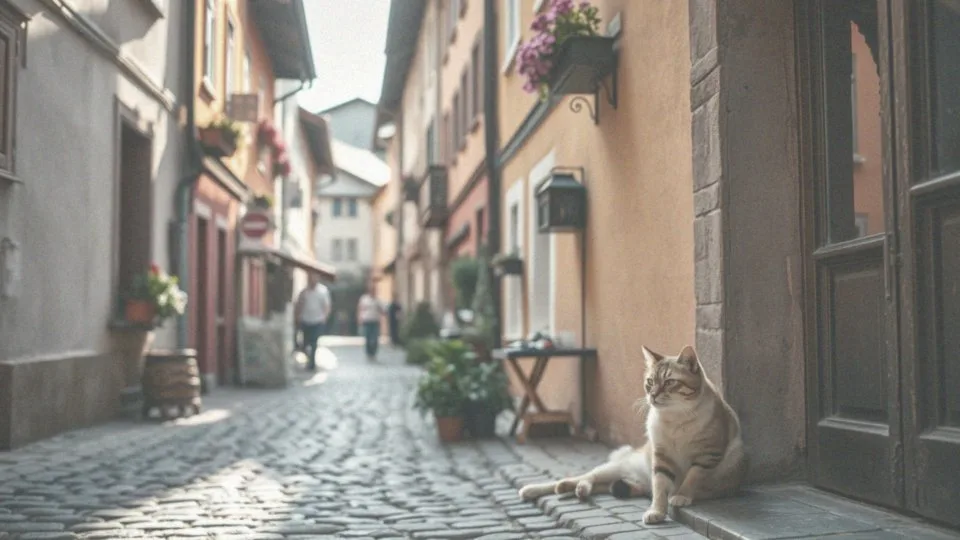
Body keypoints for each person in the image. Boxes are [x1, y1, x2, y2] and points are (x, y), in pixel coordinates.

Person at [294, 273, 331, 371]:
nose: (312, 280)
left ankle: (312, 363)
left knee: (314, 342)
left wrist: (324, 317)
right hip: (305, 320)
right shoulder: (304, 292)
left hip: (317, 320)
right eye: (310, 278)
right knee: (305, 343)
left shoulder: (322, 291)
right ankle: (309, 359)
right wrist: (297, 316)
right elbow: (299, 304)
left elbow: (326, 305)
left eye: (314, 278)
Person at [357, 285, 384, 361]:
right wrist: (359, 318)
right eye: (372, 290)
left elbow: (382, 310)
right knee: (368, 338)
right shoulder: (364, 299)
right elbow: (360, 308)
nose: (374, 292)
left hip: (375, 321)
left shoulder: (378, 300)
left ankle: (373, 353)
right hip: (367, 321)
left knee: (375, 338)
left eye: (375, 290)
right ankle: (368, 353)